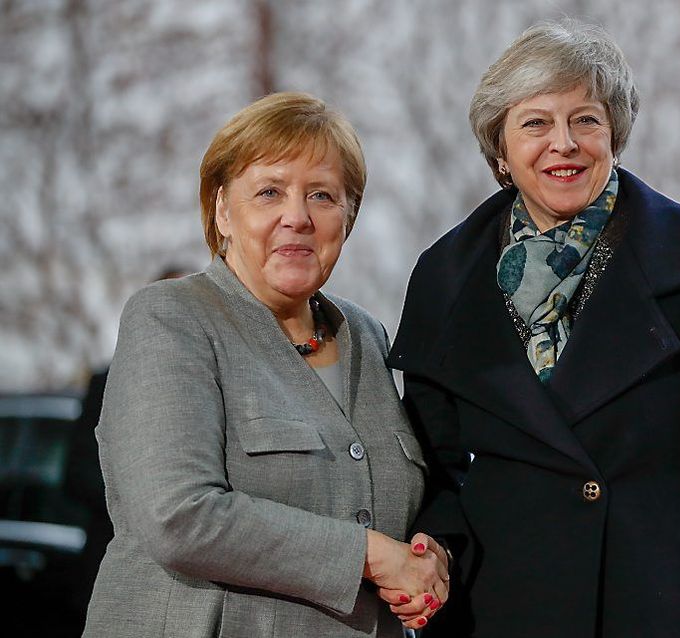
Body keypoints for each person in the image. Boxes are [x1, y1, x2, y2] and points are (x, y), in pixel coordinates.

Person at [388, 20, 680, 638]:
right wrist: (434, 558)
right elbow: (436, 477)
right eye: (535, 123)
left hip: (655, 607)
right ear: (500, 148)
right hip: (497, 611)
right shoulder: (445, 276)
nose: (564, 144)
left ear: (614, 135)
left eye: (585, 119)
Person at [84, 92, 448, 637]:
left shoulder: (367, 336)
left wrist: (424, 556)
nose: (297, 217)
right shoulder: (171, 318)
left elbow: (389, 499)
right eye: (269, 192)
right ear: (222, 211)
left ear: (347, 217)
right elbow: (179, 516)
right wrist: (369, 556)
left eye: (322, 195)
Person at [64, 265, 190, 629]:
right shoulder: (109, 380)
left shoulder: (218, 385)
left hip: (190, 587)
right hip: (116, 569)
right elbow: (78, 473)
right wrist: (155, 504)